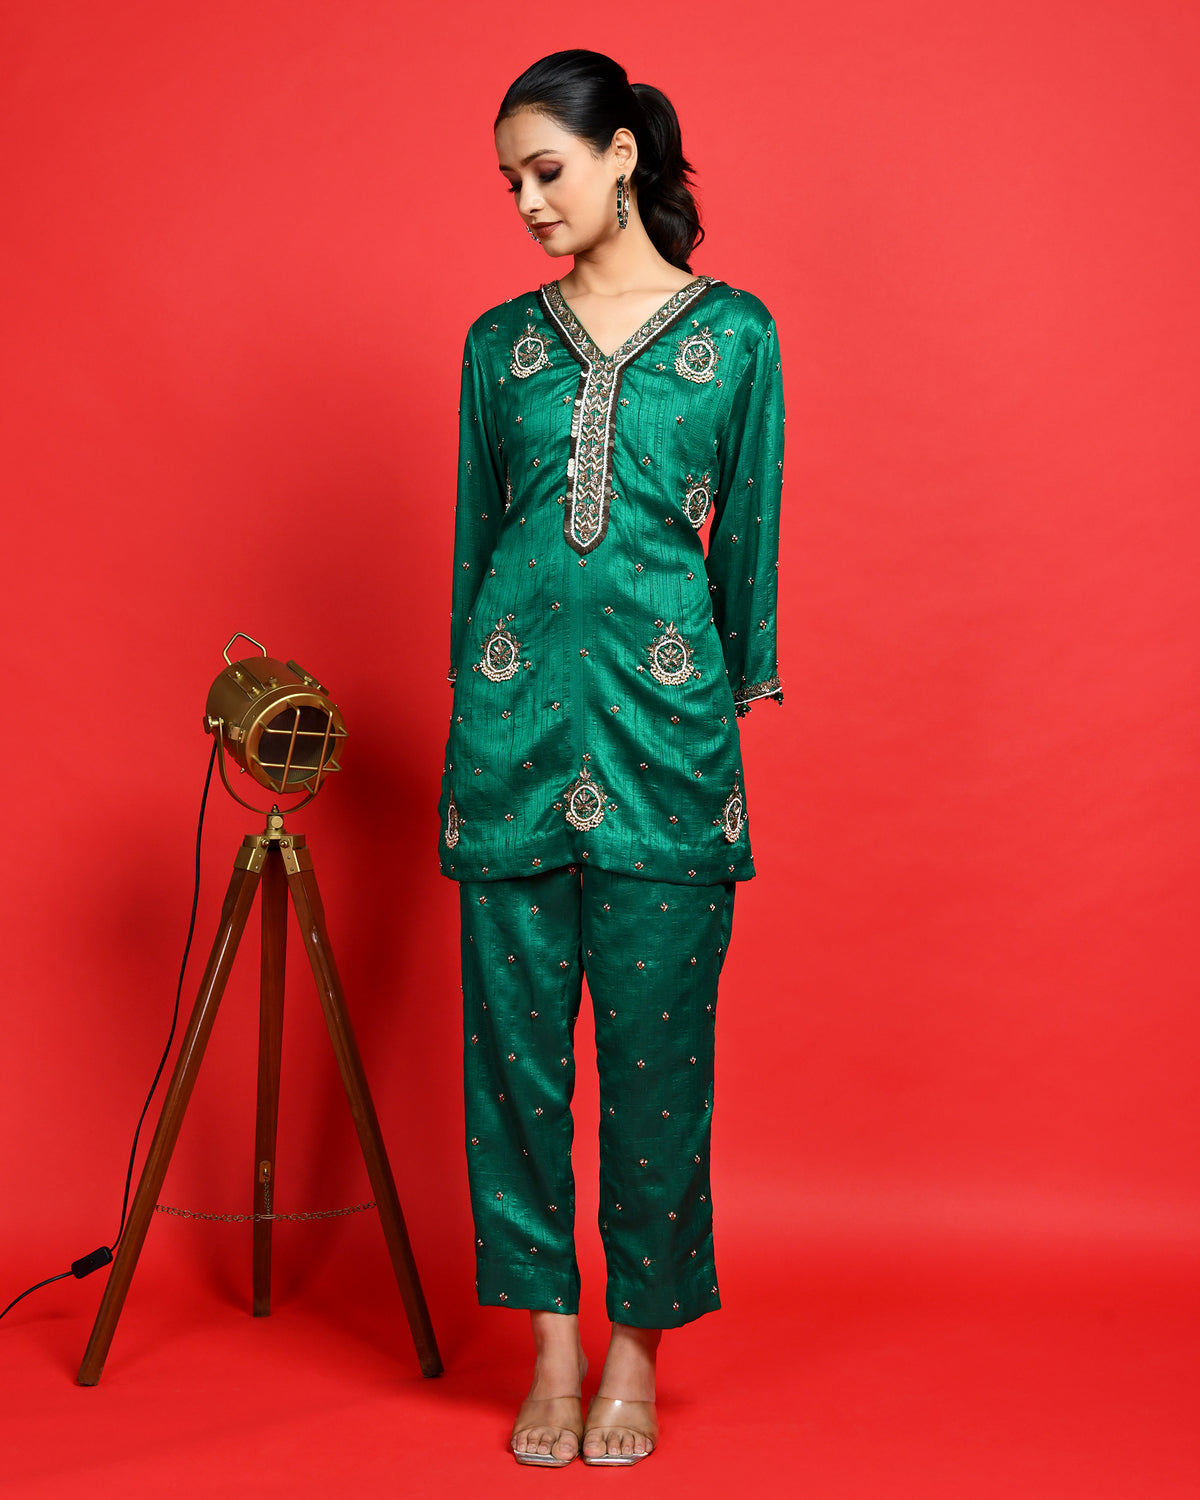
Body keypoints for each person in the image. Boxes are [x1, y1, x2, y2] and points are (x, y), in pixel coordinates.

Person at [437, 48, 786, 1466]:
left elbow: (744, 543)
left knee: (658, 1074)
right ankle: (553, 1353)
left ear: (622, 155)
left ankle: (636, 1353)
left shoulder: (737, 335)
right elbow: (476, 550)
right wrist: (477, 707)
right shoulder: (497, 347)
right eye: (510, 182)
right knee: (514, 1071)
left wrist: (728, 691)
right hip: (510, 741)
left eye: (547, 170)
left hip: (667, 749)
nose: (527, 202)